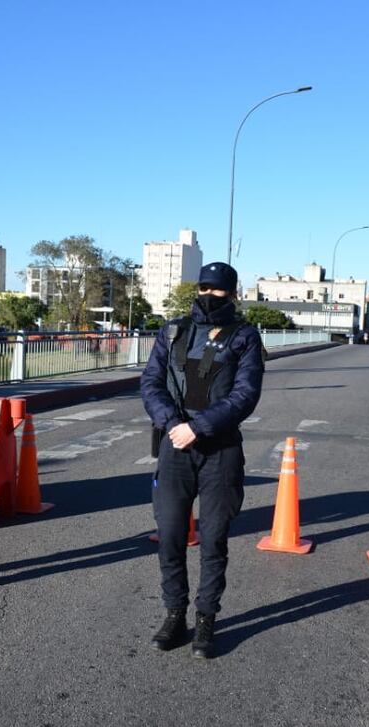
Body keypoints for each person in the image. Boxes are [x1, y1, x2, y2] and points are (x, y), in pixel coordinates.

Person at [140, 262, 264, 659]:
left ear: (232, 294)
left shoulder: (244, 336)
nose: (210, 295)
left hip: (220, 449)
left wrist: (201, 426)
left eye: (219, 290)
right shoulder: (173, 331)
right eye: (204, 287)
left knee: (213, 540)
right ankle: (174, 613)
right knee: (172, 536)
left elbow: (245, 394)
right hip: (174, 446)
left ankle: (207, 617)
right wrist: (173, 422)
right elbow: (151, 383)